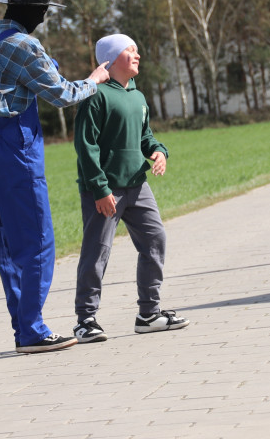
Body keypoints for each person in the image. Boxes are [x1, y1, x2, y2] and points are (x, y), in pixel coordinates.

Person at [0, 0, 111, 354]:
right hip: (18, 152)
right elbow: (61, 94)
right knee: (41, 242)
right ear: (29, 9)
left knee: (8, 244)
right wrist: (94, 81)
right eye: (44, 10)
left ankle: (23, 326)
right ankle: (32, 330)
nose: (45, 18)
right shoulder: (25, 46)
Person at [72, 34, 189, 343]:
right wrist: (99, 188)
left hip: (137, 185)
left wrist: (159, 151)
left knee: (155, 239)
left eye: (138, 49)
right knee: (97, 252)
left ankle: (149, 314)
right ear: (110, 59)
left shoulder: (137, 96)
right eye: (131, 50)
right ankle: (85, 320)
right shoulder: (95, 95)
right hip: (105, 190)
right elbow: (86, 147)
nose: (138, 55)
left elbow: (145, 136)